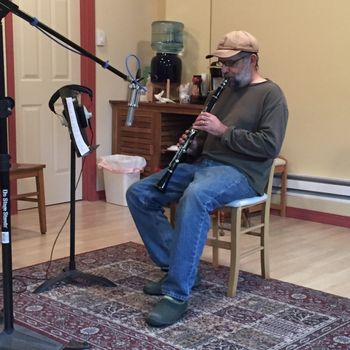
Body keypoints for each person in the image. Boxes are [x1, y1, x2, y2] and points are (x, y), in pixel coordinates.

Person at [126, 30, 288, 327]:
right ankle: (177, 266)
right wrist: (195, 141)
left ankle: (177, 293)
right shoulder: (221, 90)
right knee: (139, 193)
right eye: (221, 63)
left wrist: (223, 131)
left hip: (243, 172)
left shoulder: (271, 95)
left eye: (231, 63)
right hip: (206, 164)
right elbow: (207, 140)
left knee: (196, 195)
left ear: (252, 60)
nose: (224, 70)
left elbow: (268, 146)